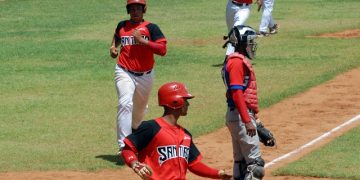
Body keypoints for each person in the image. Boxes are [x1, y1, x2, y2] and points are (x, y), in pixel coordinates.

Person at [121, 82, 232, 180]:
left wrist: (218, 174)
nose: (188, 104)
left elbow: (193, 164)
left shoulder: (185, 135)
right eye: (185, 100)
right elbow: (127, 148)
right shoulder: (151, 127)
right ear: (175, 101)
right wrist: (135, 164)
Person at [109, 0, 167, 154]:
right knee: (125, 103)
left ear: (144, 10)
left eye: (138, 9)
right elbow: (117, 37)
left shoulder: (151, 28)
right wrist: (114, 47)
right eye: (132, 9)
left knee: (139, 111)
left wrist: (142, 41)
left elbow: (162, 50)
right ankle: (125, 145)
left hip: (145, 75)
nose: (135, 11)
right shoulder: (122, 25)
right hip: (124, 71)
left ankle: (134, 130)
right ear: (128, 10)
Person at [221, 25, 265, 179]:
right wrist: (247, 120)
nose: (252, 45)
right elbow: (237, 93)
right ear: (241, 42)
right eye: (250, 41)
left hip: (237, 115)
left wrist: (256, 121)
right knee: (255, 166)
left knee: (241, 163)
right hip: (240, 116)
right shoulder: (236, 63)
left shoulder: (234, 61)